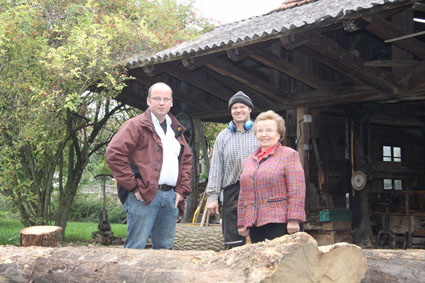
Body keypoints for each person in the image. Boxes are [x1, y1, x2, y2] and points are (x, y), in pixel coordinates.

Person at [105, 82, 192, 249]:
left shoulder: (176, 129)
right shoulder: (136, 125)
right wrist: (133, 185)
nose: (161, 102)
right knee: (136, 247)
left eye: (165, 99)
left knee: (164, 249)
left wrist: (182, 190)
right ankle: (127, 277)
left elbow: (186, 159)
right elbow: (113, 153)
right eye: (157, 98)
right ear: (148, 101)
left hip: (170, 197)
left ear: (171, 102)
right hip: (144, 195)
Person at [237, 110, 306, 243]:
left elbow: (297, 189)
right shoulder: (249, 161)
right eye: (260, 131)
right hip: (255, 224)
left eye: (269, 130)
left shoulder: (289, 155)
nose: (264, 135)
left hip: (281, 223)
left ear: (279, 134)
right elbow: (242, 194)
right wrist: (242, 222)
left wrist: (294, 219)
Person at [206, 91, 259, 249]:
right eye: (234, 107)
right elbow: (216, 168)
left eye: (242, 106)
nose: (238, 110)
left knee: (260, 241)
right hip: (231, 193)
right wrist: (213, 197)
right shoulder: (223, 136)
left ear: (250, 109)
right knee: (233, 243)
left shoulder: (260, 133)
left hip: (257, 190)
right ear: (231, 111)